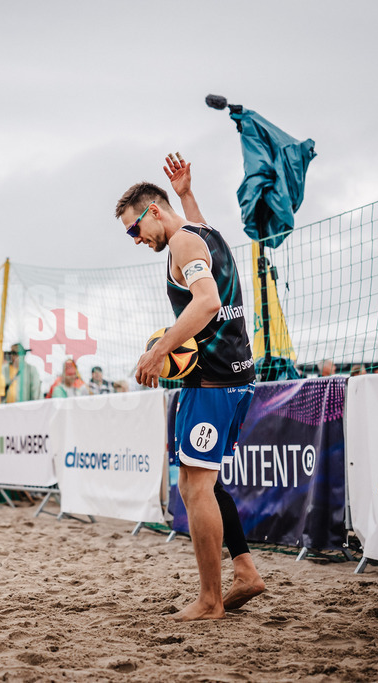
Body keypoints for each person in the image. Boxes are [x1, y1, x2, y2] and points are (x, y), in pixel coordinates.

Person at [114, 152, 263, 621]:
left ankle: (210, 600)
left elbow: (207, 302)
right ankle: (244, 572)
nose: (136, 239)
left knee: (194, 488)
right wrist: (186, 193)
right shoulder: (202, 232)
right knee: (204, 481)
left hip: (213, 381)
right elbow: (195, 230)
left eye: (134, 229)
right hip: (235, 376)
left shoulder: (181, 244)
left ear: (152, 211)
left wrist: (159, 351)